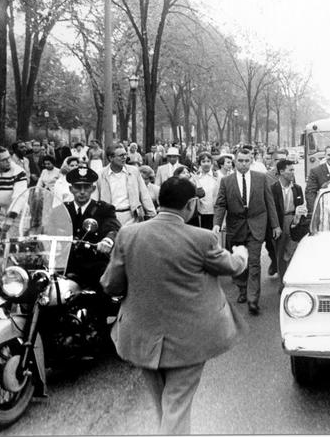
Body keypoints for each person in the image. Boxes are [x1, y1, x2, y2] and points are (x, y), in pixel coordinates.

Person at [100, 177, 248, 435]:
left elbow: (111, 284)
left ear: (159, 201)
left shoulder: (129, 233)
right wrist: (242, 254)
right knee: (176, 408)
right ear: (191, 204)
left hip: (141, 336)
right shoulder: (201, 238)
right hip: (188, 340)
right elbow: (232, 267)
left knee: (164, 407)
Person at [213, 149, 281, 315]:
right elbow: (221, 204)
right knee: (239, 262)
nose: (243, 164)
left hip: (256, 225)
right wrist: (217, 223)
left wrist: (275, 225)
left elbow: (269, 202)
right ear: (235, 162)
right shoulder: (226, 181)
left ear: (251, 162)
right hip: (236, 227)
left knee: (254, 262)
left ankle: (253, 299)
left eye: (247, 161)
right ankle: (242, 288)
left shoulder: (261, 178)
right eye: (240, 160)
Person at [63, 167, 121, 292]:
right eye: (78, 187)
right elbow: (50, 230)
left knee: (104, 293)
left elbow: (112, 227)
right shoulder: (62, 210)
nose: (82, 192)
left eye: (86, 187)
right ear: (71, 189)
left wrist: (107, 241)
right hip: (66, 265)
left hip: (93, 265)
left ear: (93, 189)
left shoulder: (103, 209)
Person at [95, 145, 156, 226]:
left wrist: (152, 214)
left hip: (132, 217)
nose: (124, 158)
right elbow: (95, 198)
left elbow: (144, 194)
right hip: (110, 218)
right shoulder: (100, 175)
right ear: (110, 158)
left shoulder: (134, 171)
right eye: (121, 155)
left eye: (125, 154)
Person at [271, 159, 307, 282]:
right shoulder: (273, 189)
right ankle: (283, 282)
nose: (293, 173)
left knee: (293, 251)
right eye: (290, 170)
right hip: (279, 223)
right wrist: (275, 226)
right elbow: (271, 210)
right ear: (281, 171)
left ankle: (294, 279)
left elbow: (300, 205)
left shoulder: (297, 188)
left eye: (293, 170)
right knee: (280, 253)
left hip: (294, 221)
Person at [0, 145, 28, 215]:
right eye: (4, 160)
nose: (9, 161)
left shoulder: (19, 172)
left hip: (18, 212)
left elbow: (19, 197)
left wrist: (10, 218)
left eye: (9, 157)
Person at [192, 152, 219, 229]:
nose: (206, 164)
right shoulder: (196, 177)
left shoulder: (217, 176)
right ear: (199, 163)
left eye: (208, 161)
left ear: (212, 163)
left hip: (214, 212)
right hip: (201, 212)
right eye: (203, 162)